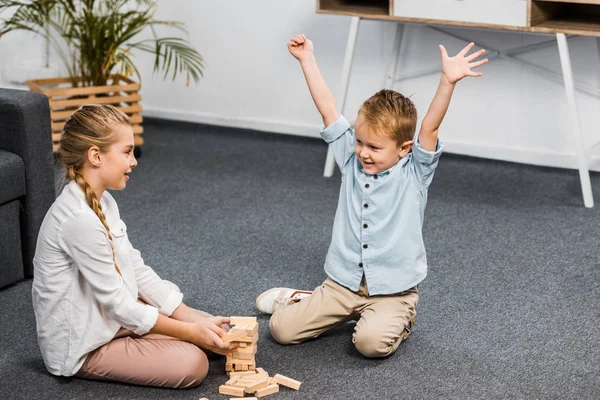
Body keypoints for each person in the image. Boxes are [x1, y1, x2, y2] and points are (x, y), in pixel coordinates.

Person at [255, 34, 487, 358]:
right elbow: (328, 111)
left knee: (370, 345)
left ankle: (397, 318)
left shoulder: (415, 172)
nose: (363, 152)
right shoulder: (351, 161)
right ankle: (302, 299)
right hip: (342, 285)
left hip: (393, 292)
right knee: (279, 330)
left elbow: (430, 129)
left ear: (404, 149)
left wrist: (448, 81)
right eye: (360, 142)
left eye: (375, 147)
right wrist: (307, 59)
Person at [32, 104, 236, 388]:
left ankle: (175, 330)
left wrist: (189, 317)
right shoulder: (79, 218)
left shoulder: (103, 201)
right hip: (85, 345)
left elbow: (135, 268)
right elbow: (118, 303)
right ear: (95, 155)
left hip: (111, 318)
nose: (134, 161)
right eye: (126, 152)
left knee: (215, 330)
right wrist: (189, 332)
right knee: (194, 363)